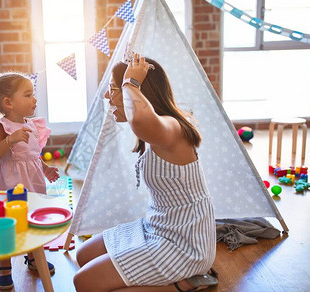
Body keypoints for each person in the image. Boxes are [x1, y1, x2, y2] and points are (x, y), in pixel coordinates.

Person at [73, 54, 218, 292]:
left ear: (140, 91)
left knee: (84, 282)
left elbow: (139, 120)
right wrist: (129, 82)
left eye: (112, 89)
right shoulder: (157, 132)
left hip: (184, 245)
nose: (107, 96)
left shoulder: (173, 128)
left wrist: (130, 81)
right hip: (158, 226)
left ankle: (181, 285)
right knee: (83, 255)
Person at [0, 72, 60, 290]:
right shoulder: (0, 126)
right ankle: (5, 266)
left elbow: (33, 154)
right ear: (8, 103)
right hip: (8, 187)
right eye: (28, 95)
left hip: (32, 184)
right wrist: (10, 139)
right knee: (6, 225)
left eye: (33, 94)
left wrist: (45, 169)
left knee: (33, 220)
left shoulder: (32, 125)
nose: (34, 100)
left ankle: (34, 257)